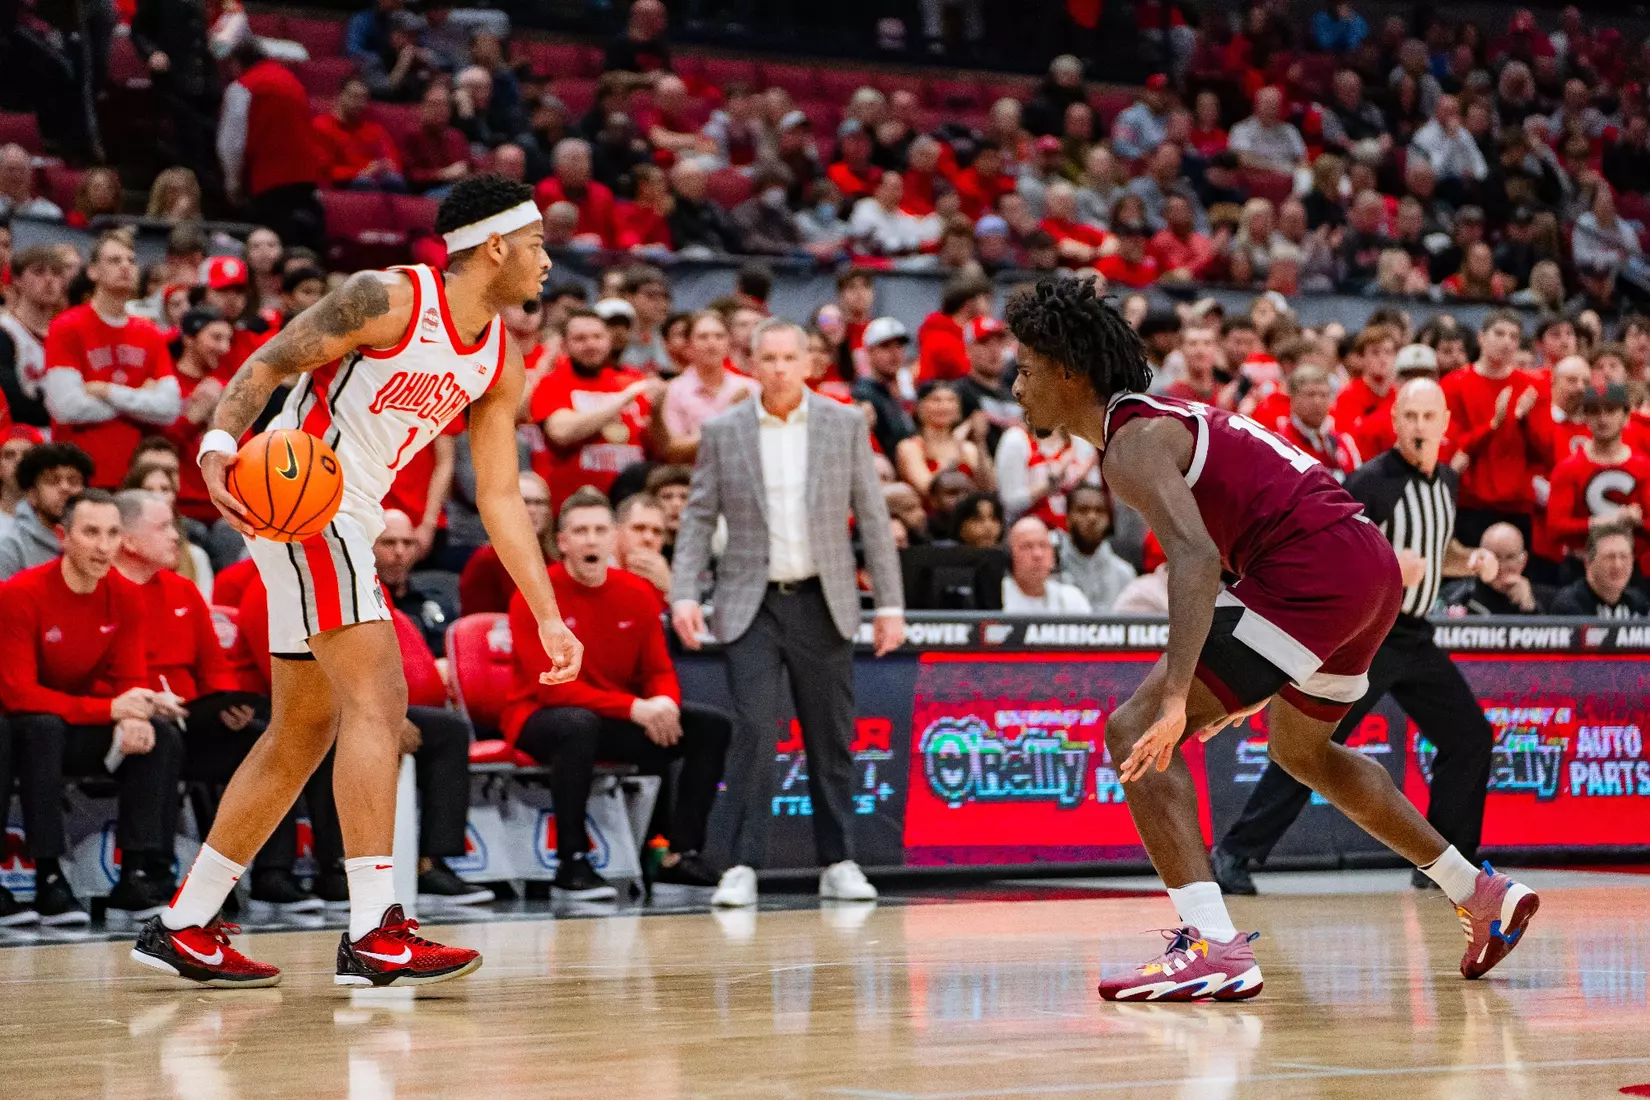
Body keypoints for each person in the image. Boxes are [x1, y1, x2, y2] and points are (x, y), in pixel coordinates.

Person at [1005, 278, 1538, 1001]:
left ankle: (1212, 946)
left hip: (1310, 570)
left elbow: (1194, 557)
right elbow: (1230, 539)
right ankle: (1478, 892)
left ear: (1069, 371)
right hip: (1367, 568)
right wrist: (1247, 672)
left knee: (1136, 730)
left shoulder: (1131, 444)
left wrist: (1176, 695)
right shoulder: (1163, 419)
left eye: (1026, 369)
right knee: (1302, 751)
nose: (1016, 385)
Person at [131, 176, 584, 989]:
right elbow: (271, 360)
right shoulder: (388, 299)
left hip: (349, 515)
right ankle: (374, 929)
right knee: (381, 697)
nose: (548, 260)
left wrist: (548, 614)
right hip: (307, 495)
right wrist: (217, 445)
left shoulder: (500, 358)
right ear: (495, 247)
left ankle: (184, 923)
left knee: (302, 729)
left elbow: (500, 496)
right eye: (538, 243)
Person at [1212, 378, 1503, 897]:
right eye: (1409, 416)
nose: (1419, 426)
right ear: (1394, 422)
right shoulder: (1371, 481)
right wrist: (1390, 565)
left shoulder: (1447, 483)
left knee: (1470, 737)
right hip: (1366, 634)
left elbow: (1440, 547)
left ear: (1445, 423)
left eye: (1428, 416)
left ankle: (1446, 864)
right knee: (1310, 747)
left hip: (1415, 636)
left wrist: (1470, 559)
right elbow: (1332, 549)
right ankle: (1234, 852)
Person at [671, 319, 903, 909]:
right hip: (750, 601)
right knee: (752, 733)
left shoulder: (843, 423)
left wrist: (890, 604)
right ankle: (740, 864)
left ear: (808, 364)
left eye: (787, 358)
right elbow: (698, 517)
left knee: (831, 737)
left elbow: (873, 517)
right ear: (752, 365)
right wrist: (683, 593)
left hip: (825, 598)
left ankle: (839, 861)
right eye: (767, 358)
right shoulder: (723, 430)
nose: (777, 369)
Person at [504, 489, 731, 897]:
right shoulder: (533, 595)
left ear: (614, 538)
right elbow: (553, 689)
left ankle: (680, 854)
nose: (591, 540)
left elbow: (658, 670)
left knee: (710, 727)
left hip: (612, 716)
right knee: (578, 725)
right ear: (562, 542)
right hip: (538, 716)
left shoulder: (636, 593)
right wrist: (635, 709)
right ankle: (572, 860)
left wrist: (663, 703)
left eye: (599, 530)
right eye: (580, 531)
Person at [111, 487, 318, 908]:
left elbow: (215, 669)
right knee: (161, 737)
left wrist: (228, 703)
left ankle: (273, 873)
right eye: (164, 527)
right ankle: (146, 872)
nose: (176, 536)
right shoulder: (104, 593)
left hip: (193, 716)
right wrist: (141, 703)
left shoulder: (184, 591)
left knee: (271, 739)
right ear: (128, 540)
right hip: (130, 719)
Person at [0, 490, 187, 924]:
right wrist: (113, 711)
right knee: (42, 726)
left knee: (160, 736)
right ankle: (48, 877)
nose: (104, 547)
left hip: (74, 724)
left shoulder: (125, 595)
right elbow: (17, 694)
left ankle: (135, 876)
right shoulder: (20, 594)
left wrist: (136, 713)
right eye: (91, 533)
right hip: (19, 727)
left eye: (113, 534)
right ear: (62, 537)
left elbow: (131, 678)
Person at [43, 230, 180, 490]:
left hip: (139, 478)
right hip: (81, 474)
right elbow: (66, 407)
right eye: (115, 260)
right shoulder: (66, 326)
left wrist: (106, 391)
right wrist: (140, 398)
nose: (125, 266)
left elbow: (170, 408)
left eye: (131, 260)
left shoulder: (150, 332)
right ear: (93, 271)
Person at [529, 309, 662, 513]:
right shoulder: (553, 383)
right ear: (565, 345)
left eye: (597, 337)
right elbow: (561, 432)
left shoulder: (631, 381)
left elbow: (657, 446)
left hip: (630, 503)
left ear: (608, 341)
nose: (591, 344)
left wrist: (659, 408)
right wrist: (623, 400)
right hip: (573, 505)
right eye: (580, 339)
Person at [1443, 310, 1542, 547]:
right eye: (1499, 333)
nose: (1507, 342)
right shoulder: (1454, 385)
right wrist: (1492, 426)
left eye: (1513, 336)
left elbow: (1543, 452)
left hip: (1517, 505)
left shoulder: (1531, 387)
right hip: (1471, 504)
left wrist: (1524, 420)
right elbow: (1453, 452)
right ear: (1481, 337)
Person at [217, 41, 324, 250]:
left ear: (237, 63)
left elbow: (232, 142)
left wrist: (232, 184)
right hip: (305, 177)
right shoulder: (290, 80)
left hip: (268, 179)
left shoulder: (244, 86)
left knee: (271, 245)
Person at [1545, 384, 1650, 574]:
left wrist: (1639, 522)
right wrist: (1599, 523)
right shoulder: (1568, 468)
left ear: (1626, 416)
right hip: (1581, 566)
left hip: (1632, 567)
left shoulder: (1643, 467)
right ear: (1585, 417)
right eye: (1594, 412)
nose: (1603, 419)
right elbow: (1555, 527)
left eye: (1611, 411)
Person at [661, 311, 759, 453]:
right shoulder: (675, 390)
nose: (712, 344)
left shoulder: (750, 388)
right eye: (703, 337)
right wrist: (727, 420)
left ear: (729, 344)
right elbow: (674, 449)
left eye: (719, 336)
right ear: (688, 346)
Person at [459, 471, 553, 616]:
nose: (532, 510)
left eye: (540, 503)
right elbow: (479, 622)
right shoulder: (486, 562)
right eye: (524, 502)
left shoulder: (556, 559)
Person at [0, 443, 94, 579]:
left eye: (73, 481)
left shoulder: (101, 540)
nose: (65, 488)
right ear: (32, 494)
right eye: (52, 481)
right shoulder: (10, 547)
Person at [1056, 483, 1137, 611]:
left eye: (1099, 511)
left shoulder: (1124, 574)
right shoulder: (1052, 569)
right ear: (1068, 518)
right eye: (1083, 510)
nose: (1092, 518)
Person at [1443, 522, 1552, 615]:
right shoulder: (1456, 595)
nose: (1502, 566)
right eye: (1495, 557)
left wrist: (1530, 608)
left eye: (1510, 557)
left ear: (1523, 561)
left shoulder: (1548, 599)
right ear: (1480, 557)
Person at [1550, 524, 1650, 618]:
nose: (1618, 565)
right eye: (1609, 557)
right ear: (1588, 562)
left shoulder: (1638, 603)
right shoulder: (1569, 605)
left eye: (1624, 557)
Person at [852, 317, 917, 459]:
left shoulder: (904, 390)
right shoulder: (863, 394)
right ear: (869, 352)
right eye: (885, 346)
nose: (894, 353)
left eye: (899, 346)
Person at [1001, 515, 1091, 613]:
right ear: (1010, 555)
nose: (1037, 554)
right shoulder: (996, 597)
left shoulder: (1072, 599)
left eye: (1043, 545)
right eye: (1027, 546)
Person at [918, 275, 994, 383]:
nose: (990, 306)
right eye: (986, 300)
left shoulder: (966, 334)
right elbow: (974, 372)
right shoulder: (940, 338)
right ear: (969, 304)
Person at [613, 491, 672, 601]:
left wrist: (669, 589)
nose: (648, 538)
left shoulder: (666, 581)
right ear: (616, 532)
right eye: (639, 528)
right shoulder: (596, 572)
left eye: (657, 531)